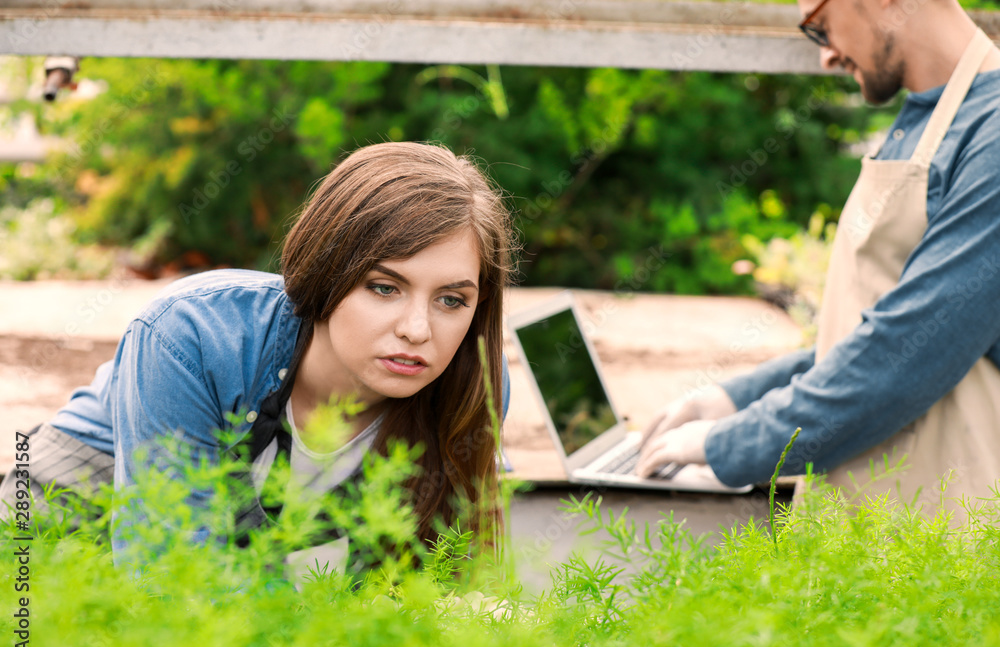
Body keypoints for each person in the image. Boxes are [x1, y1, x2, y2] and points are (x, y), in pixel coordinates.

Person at [0, 141, 515, 567]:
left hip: (238, 568)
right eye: (384, 287)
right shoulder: (193, 334)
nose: (418, 330)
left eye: (452, 299)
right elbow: (167, 577)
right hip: (64, 516)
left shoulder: (471, 387)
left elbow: (427, 586)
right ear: (327, 268)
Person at [637, 0, 1000, 516]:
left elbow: (906, 354)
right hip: (867, 536)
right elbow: (866, 328)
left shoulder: (992, 134)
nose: (827, 55)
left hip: (943, 553)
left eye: (820, 26)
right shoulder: (919, 121)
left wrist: (728, 444)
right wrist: (733, 399)